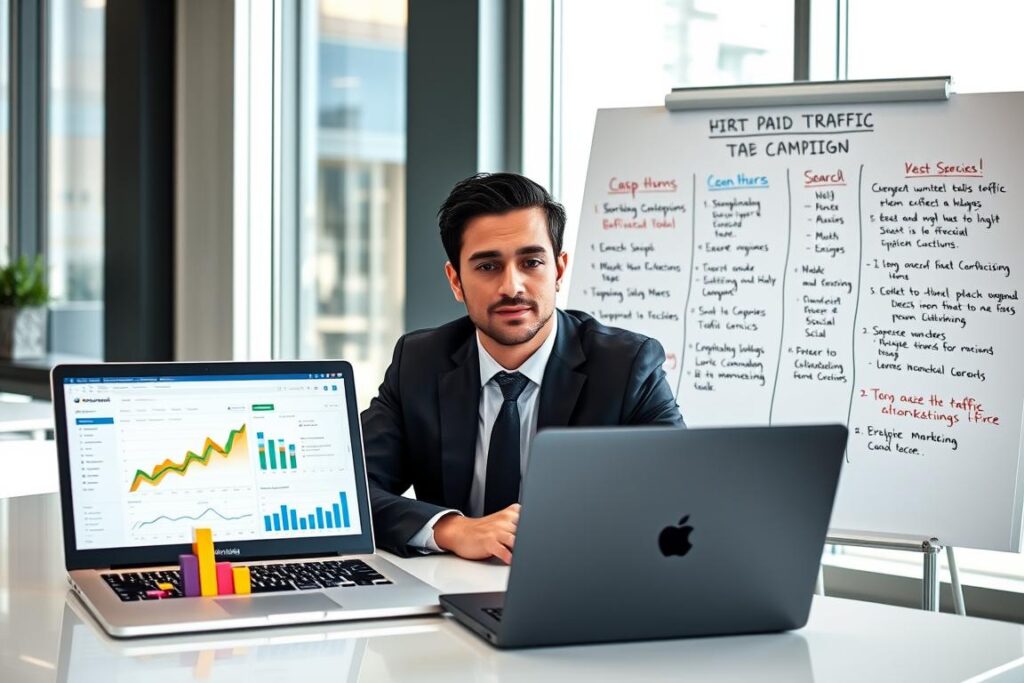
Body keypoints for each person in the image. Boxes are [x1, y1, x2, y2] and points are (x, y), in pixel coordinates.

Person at [361, 172, 684, 561]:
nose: (512, 287)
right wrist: (453, 529)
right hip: (446, 593)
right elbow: (353, 488)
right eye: (487, 267)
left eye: (531, 262)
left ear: (559, 270)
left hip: (582, 587)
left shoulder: (627, 367)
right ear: (455, 281)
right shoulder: (419, 362)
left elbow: (678, 496)